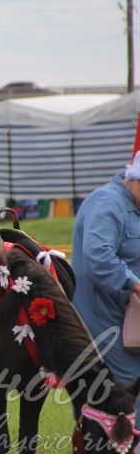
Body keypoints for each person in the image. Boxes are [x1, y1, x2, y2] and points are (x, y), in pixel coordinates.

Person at [72, 151, 140, 421]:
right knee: (130, 388)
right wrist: (136, 284)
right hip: (106, 320)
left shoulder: (133, 205)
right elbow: (99, 257)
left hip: (128, 317)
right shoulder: (108, 203)